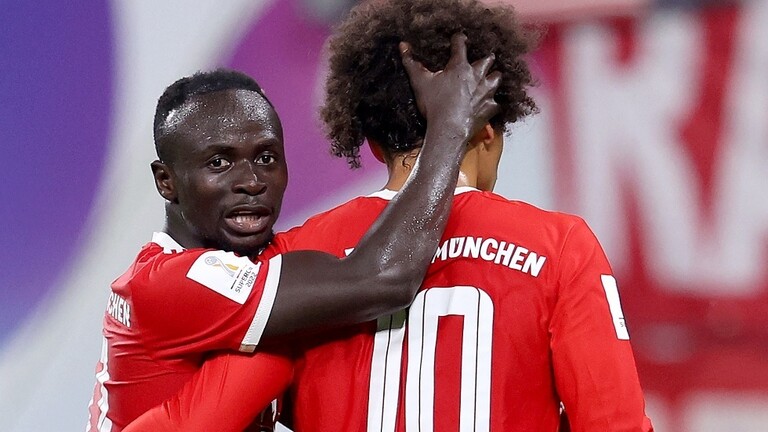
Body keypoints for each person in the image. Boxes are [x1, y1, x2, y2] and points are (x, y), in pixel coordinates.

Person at [126, 0, 654, 431]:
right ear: (487, 131)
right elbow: (616, 424)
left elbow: (209, 417)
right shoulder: (560, 246)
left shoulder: (290, 261)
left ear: (374, 143)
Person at [86, 40, 502, 432]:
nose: (251, 182)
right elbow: (384, 277)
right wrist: (450, 125)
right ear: (166, 181)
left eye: (266, 157)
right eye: (219, 163)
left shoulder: (256, 270)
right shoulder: (172, 283)